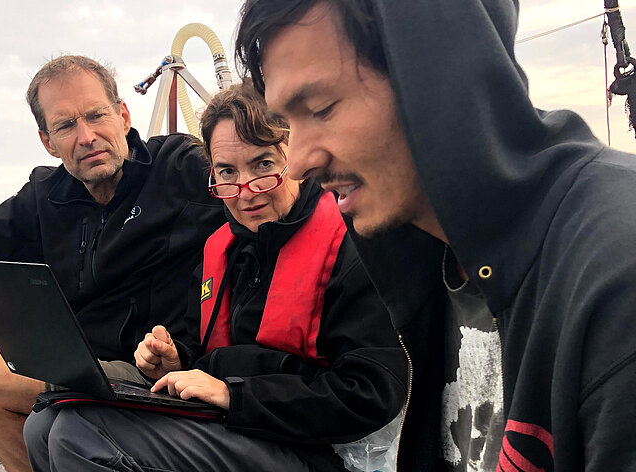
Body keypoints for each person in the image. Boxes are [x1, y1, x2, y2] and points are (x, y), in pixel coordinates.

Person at [234, 0, 636, 471]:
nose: (300, 161)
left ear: (440, 70)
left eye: (321, 108)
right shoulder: (435, 262)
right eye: (287, 123)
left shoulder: (617, 277)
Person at [23, 81, 408, 471]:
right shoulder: (221, 249)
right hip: (241, 429)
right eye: (227, 171)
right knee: (42, 425)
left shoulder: (353, 246)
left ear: (297, 154)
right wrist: (174, 361)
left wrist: (234, 395)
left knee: (80, 436)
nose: (246, 191)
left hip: (319, 449)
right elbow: (201, 345)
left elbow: (371, 392)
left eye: (263, 165)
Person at [0, 55, 225, 471]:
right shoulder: (46, 197)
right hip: (75, 353)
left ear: (124, 115)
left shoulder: (179, 170)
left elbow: (264, 177)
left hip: (150, 367)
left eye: (96, 115)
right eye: (66, 125)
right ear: (47, 141)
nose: (87, 136)